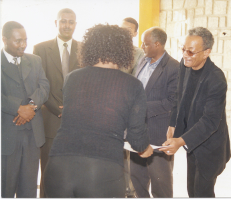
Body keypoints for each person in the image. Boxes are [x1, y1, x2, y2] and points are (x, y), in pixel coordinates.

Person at [43, 24, 153, 198]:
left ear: (89, 47)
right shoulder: (132, 85)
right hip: (102, 172)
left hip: (58, 167)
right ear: (124, 50)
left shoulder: (72, 78)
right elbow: (137, 137)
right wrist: (146, 149)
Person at [159, 27, 231, 197]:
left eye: (191, 51)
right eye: (183, 49)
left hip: (210, 147)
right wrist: (172, 123)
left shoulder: (216, 79)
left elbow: (210, 122)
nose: (185, 55)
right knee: (192, 191)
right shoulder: (185, 66)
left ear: (207, 52)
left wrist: (181, 140)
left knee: (202, 193)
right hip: (192, 142)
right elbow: (179, 97)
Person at [32, 8, 80, 197]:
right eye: (63, 21)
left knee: (74, 173)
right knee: (49, 171)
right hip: (51, 119)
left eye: (71, 22)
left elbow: (86, 83)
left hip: (77, 122)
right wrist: (57, 109)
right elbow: (39, 83)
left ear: (75, 25)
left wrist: (73, 108)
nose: (67, 25)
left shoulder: (84, 48)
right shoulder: (40, 49)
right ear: (56, 23)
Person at [1, 21, 50, 197]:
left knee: (29, 189)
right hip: (6, 136)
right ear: (4, 39)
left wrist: (30, 106)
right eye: (17, 41)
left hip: (32, 136)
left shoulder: (35, 60)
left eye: (25, 40)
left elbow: (44, 86)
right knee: (5, 188)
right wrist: (18, 108)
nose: (23, 45)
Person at [130, 27, 179, 198]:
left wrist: (141, 106)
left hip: (158, 134)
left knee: (161, 184)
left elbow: (173, 102)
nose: (142, 46)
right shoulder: (143, 60)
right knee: (136, 179)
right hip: (137, 132)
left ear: (157, 44)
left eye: (146, 43)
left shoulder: (173, 67)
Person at [120, 17, 144, 198]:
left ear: (135, 33)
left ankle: (130, 190)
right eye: (123, 29)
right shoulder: (112, 50)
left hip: (127, 107)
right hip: (111, 108)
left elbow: (136, 80)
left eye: (129, 30)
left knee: (129, 150)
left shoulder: (139, 54)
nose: (126, 33)